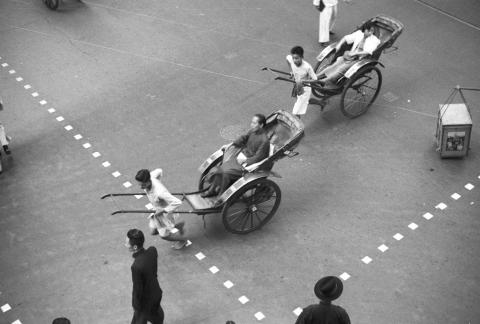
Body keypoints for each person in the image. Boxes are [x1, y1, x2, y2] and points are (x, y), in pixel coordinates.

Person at [202, 114, 270, 198]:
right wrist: (231, 144)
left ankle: (221, 194)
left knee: (225, 173)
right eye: (252, 122)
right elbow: (243, 138)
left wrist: (245, 161)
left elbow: (258, 157)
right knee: (221, 169)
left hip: (248, 166)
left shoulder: (265, 141)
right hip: (240, 158)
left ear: (261, 125)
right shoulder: (252, 131)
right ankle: (212, 190)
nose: (251, 124)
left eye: (254, 123)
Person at [135, 168, 188, 250]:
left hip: (165, 214)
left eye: (143, 185)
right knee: (152, 231)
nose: (141, 188)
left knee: (164, 236)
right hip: (156, 211)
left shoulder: (160, 192)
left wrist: (163, 210)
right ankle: (177, 226)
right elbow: (159, 171)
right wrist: (159, 180)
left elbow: (178, 202)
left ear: (148, 181)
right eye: (140, 185)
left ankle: (183, 240)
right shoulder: (151, 176)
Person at [316, 21, 380, 87]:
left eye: (372, 31)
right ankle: (317, 76)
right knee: (335, 65)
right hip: (350, 56)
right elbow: (346, 38)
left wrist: (355, 53)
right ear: (365, 29)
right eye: (369, 30)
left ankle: (325, 81)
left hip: (359, 60)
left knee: (341, 69)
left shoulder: (375, 40)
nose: (370, 33)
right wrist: (339, 45)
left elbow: (368, 51)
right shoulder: (359, 33)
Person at [126, 229, 165, 324]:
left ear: (134, 247)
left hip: (144, 302)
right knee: (157, 317)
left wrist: (135, 305)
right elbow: (154, 272)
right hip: (156, 294)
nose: (125, 245)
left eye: (127, 243)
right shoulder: (153, 251)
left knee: (139, 319)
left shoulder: (136, 266)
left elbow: (137, 289)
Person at [286, 46, 317, 118]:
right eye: (293, 58)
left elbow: (315, 79)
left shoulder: (307, 67)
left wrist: (303, 81)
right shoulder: (291, 59)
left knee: (296, 112)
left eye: (297, 58)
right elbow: (287, 58)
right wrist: (291, 71)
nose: (294, 60)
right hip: (297, 85)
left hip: (305, 89)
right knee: (302, 102)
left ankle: (299, 128)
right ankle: (321, 103)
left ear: (302, 57)